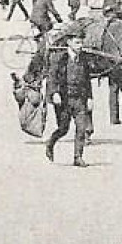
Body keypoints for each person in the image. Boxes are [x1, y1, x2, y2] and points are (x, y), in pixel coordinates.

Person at [44, 29, 93, 167]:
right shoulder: (59, 59)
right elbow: (52, 77)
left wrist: (90, 98)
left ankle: (78, 157)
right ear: (69, 42)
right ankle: (51, 143)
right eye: (77, 42)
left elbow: (87, 80)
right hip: (64, 100)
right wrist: (54, 93)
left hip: (79, 100)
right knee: (63, 129)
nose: (80, 45)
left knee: (81, 128)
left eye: (82, 42)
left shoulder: (84, 59)